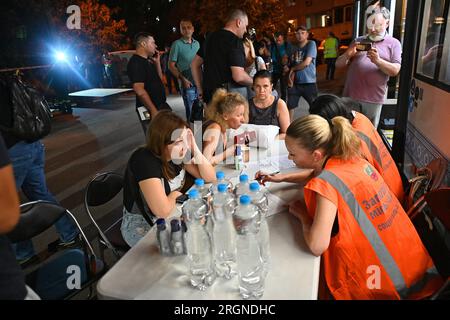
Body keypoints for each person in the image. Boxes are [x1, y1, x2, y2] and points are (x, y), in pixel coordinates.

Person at [285, 114, 442, 299]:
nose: (289, 157)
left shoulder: (326, 185)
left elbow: (317, 245)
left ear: (316, 155)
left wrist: (303, 217)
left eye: (292, 154)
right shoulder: (354, 160)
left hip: (388, 288)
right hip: (418, 271)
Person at [0, 75, 79, 267]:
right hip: (31, 143)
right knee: (41, 194)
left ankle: (23, 253)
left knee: (9, 206)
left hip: (12, 149)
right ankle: (70, 234)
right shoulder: (8, 80)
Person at [121, 111, 215, 247]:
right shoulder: (144, 160)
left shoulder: (178, 152)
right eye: (178, 142)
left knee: (201, 235)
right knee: (181, 250)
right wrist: (175, 195)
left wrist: (194, 147)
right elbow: (161, 210)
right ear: (161, 143)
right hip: (141, 224)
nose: (184, 146)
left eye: (185, 140)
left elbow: (209, 177)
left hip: (171, 211)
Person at [309, 94, 404, 202]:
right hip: (394, 184)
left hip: (387, 196)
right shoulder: (358, 117)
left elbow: (334, 178)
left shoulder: (352, 144)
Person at [336, 1, 401, 128]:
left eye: (377, 25)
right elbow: (339, 65)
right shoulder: (358, 40)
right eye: (370, 25)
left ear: (387, 23)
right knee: (346, 132)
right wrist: (348, 54)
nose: (372, 29)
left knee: (368, 134)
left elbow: (395, 70)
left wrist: (378, 61)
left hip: (373, 100)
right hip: (350, 96)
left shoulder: (393, 43)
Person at [191, 9, 253, 103]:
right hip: (228, 100)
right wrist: (256, 81)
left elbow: (194, 64)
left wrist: (200, 89)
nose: (245, 30)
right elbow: (239, 76)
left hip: (209, 96)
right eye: (246, 26)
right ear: (239, 22)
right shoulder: (235, 42)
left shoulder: (210, 38)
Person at [127, 32, 170, 136]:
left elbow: (159, 79)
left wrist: (157, 63)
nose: (155, 46)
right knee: (154, 138)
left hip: (160, 105)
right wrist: (153, 110)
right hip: (146, 109)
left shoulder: (148, 61)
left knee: (167, 136)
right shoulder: (136, 63)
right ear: (143, 44)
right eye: (153, 42)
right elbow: (139, 90)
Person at [202, 89, 248, 166]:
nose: (243, 119)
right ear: (225, 116)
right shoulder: (214, 129)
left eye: (242, 114)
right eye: (239, 115)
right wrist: (230, 151)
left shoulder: (223, 128)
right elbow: (205, 162)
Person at [169, 18, 200, 122]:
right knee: (191, 114)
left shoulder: (197, 44)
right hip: (188, 85)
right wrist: (183, 80)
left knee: (200, 112)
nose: (186, 30)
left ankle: (199, 136)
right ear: (180, 30)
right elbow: (171, 65)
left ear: (193, 29)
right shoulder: (176, 44)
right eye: (183, 28)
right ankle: (193, 136)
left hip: (200, 84)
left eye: (188, 27)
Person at [287, 25, 318, 122]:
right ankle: (287, 127)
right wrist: (288, 71)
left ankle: (316, 126)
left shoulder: (311, 44)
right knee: (290, 106)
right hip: (295, 83)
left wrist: (292, 69)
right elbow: (290, 63)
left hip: (309, 82)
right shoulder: (294, 47)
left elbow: (306, 63)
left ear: (307, 34)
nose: (300, 35)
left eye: (302, 33)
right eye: (297, 33)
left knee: (315, 106)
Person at [249, 70, 290, 139]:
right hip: (253, 144)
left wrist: (269, 140)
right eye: (258, 86)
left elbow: (286, 133)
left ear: (271, 87)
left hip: (275, 145)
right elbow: (242, 131)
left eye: (265, 86)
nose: (261, 90)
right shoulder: (248, 105)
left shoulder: (280, 104)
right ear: (253, 87)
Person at [270, 32, 293, 102]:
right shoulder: (274, 46)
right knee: (272, 86)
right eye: (277, 40)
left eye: (280, 40)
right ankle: (271, 100)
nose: (278, 42)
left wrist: (287, 66)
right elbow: (272, 58)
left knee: (283, 88)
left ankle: (283, 103)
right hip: (276, 70)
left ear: (283, 39)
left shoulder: (287, 45)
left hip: (284, 70)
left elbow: (290, 57)